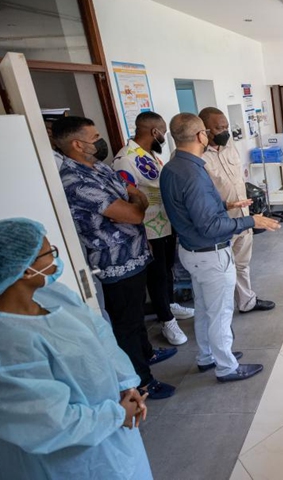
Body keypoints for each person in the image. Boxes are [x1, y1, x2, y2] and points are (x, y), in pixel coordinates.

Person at [0, 218, 152, 479]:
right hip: (72, 460)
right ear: (25, 270)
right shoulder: (10, 341)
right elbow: (46, 422)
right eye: (49, 253)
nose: (55, 259)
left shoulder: (54, 295)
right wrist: (116, 415)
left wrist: (126, 385)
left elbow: (100, 336)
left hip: (116, 427)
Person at [55, 116, 177, 400]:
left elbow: (135, 196)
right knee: (126, 324)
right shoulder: (75, 180)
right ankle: (142, 382)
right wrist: (134, 201)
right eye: (95, 136)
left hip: (135, 254)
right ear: (77, 144)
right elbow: (135, 211)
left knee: (137, 318)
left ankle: (147, 353)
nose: (100, 141)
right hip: (113, 264)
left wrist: (134, 200)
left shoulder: (97, 168)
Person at [160, 113, 281, 383]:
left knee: (204, 309)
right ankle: (226, 367)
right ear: (201, 135)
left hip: (191, 250)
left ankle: (207, 357)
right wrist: (252, 220)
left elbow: (189, 209)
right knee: (219, 314)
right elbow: (210, 227)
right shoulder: (194, 173)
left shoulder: (173, 167)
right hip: (210, 253)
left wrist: (228, 206)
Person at [113, 111, 193, 346]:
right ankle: (166, 321)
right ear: (154, 132)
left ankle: (169, 304)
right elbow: (125, 196)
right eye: (164, 133)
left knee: (166, 269)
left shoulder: (149, 154)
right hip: (147, 228)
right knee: (156, 275)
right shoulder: (125, 158)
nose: (164, 137)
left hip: (164, 222)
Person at [199, 107, 275, 314]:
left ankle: (246, 301)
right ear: (204, 130)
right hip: (220, 221)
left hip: (243, 217)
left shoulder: (229, 146)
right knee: (223, 269)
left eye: (226, 126)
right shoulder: (197, 156)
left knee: (242, 263)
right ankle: (221, 310)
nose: (224, 131)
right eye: (218, 127)